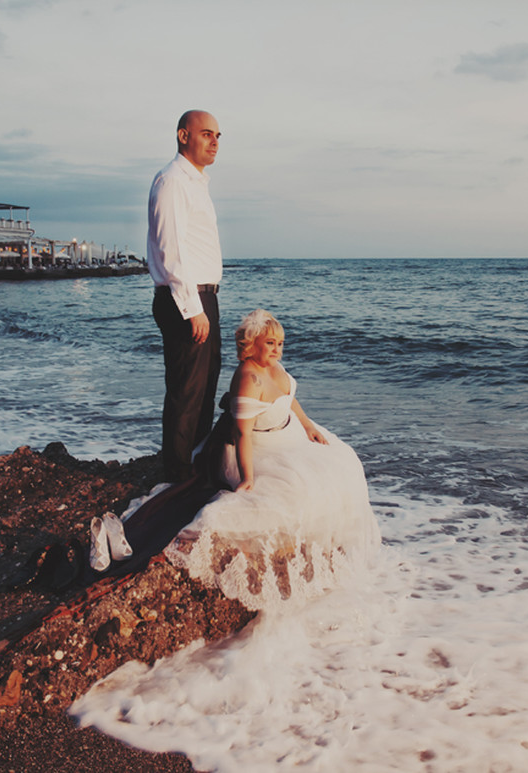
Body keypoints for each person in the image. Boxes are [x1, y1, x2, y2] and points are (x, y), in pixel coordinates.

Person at [164, 310, 380, 609]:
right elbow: (242, 435)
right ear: (251, 344)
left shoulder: (274, 367)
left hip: (288, 433)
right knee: (292, 491)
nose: (277, 348)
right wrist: (247, 477)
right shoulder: (248, 377)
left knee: (344, 461)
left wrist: (308, 427)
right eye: (270, 342)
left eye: (280, 342)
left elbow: (289, 398)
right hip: (258, 447)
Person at [147, 109, 223, 484]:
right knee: (187, 389)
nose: (214, 142)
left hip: (202, 297)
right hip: (185, 298)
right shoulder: (172, 181)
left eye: (218, 136)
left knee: (207, 383)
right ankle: (177, 477)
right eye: (206, 133)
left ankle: (194, 464)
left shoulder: (196, 183)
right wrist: (192, 308)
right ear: (183, 136)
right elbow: (170, 250)